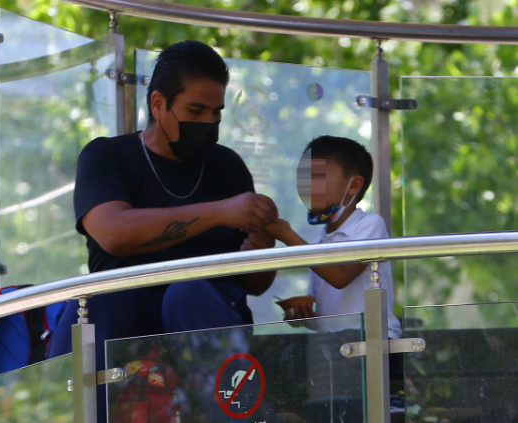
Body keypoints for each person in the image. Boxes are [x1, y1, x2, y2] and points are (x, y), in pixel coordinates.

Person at [47, 40, 277, 422]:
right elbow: (113, 232)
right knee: (100, 300)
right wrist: (219, 212)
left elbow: (254, 282)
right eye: (195, 110)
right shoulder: (107, 156)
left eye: (217, 112)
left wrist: (262, 248)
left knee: (187, 294)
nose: (208, 123)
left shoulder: (228, 167)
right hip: (120, 324)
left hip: (203, 324)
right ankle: (57, 412)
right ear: (157, 104)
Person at [265, 135, 402, 339]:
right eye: (303, 177)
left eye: (318, 177)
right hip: (331, 344)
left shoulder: (370, 225)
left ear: (354, 185)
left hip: (373, 343)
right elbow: (327, 315)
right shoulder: (318, 244)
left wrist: (287, 235)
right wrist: (304, 316)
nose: (307, 186)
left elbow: (341, 277)